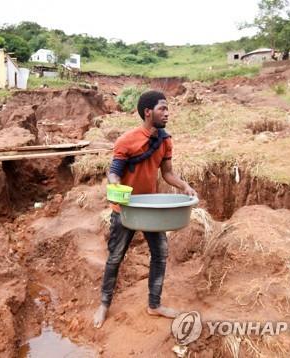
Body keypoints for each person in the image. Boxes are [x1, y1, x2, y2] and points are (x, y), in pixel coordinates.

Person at [93, 90, 197, 328]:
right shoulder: (126, 141)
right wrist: (114, 184)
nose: (167, 113)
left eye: (168, 108)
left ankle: (154, 304)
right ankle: (104, 304)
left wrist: (185, 186)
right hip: (126, 210)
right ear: (148, 112)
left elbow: (168, 173)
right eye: (162, 108)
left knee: (160, 254)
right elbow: (115, 171)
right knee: (116, 256)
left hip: (150, 210)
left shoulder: (165, 140)